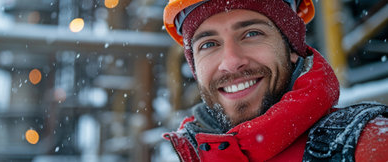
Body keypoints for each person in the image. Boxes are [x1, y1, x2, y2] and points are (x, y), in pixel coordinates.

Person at [161, 0, 388, 161]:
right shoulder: (188, 154)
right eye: (208, 44)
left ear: (291, 48)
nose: (231, 62)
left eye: (252, 34)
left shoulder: (369, 144)